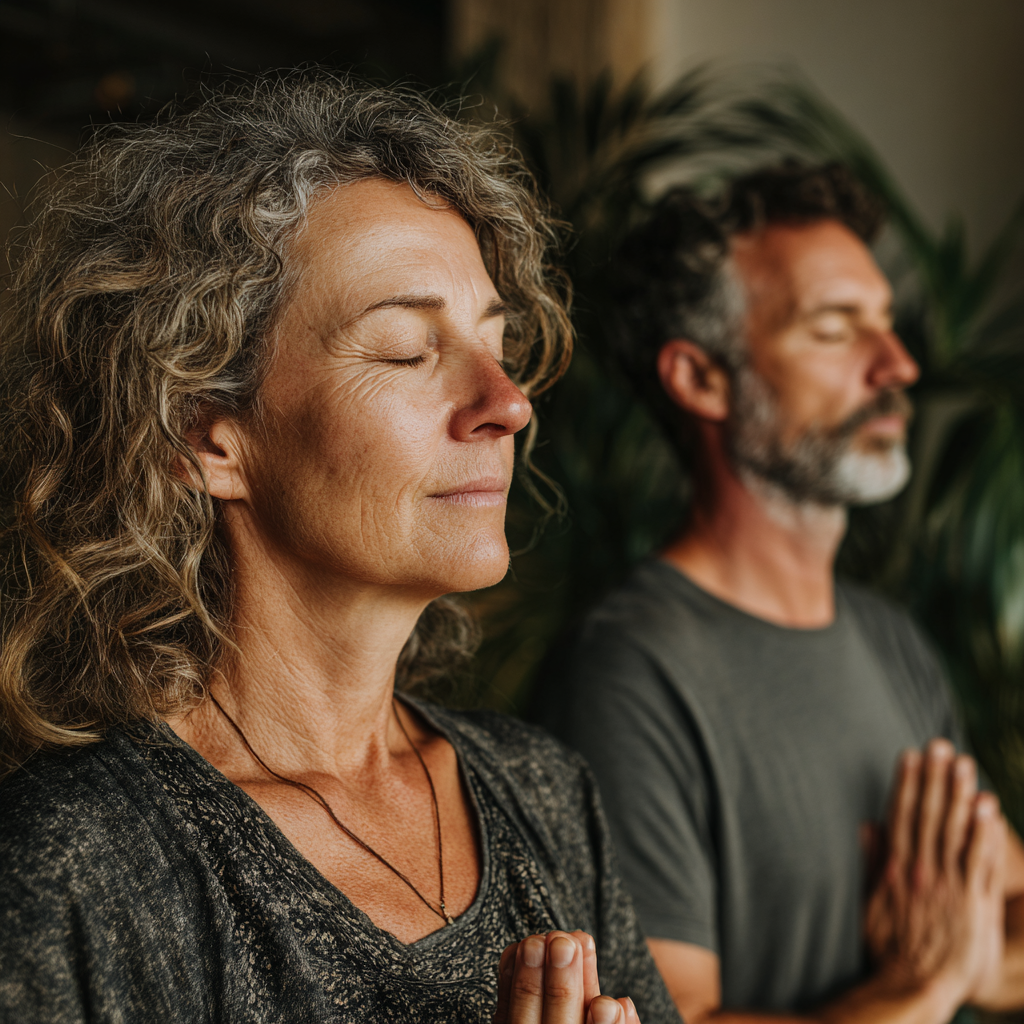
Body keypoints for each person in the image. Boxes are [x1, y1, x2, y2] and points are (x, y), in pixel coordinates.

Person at [0, 73, 679, 1024]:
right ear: (207, 435)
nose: (509, 403)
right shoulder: (83, 861)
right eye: (406, 350)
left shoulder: (542, 790)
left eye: (497, 342)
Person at [535, 163, 1024, 1022]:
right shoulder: (627, 669)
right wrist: (923, 988)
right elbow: (669, 1017)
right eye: (837, 330)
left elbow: (1008, 922)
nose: (899, 365)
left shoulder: (889, 638)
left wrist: (968, 968)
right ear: (701, 378)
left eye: (886, 323)